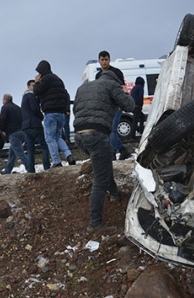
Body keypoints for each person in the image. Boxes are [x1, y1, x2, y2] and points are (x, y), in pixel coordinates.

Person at [73, 70, 135, 231]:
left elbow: (77, 111)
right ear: (119, 80)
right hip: (97, 134)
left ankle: (115, 194)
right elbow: (130, 106)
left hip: (79, 136)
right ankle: (95, 223)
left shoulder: (83, 87)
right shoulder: (113, 85)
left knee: (104, 165)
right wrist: (125, 93)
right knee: (100, 179)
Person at [33, 60, 76, 167]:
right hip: (61, 113)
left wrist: (37, 82)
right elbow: (65, 95)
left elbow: (37, 92)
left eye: (39, 72)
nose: (38, 74)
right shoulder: (58, 79)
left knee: (49, 138)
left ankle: (56, 162)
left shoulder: (45, 79)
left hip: (50, 113)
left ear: (42, 70)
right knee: (58, 137)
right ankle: (69, 155)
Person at [95, 50, 131, 160]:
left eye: (106, 60)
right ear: (99, 61)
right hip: (106, 107)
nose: (104, 62)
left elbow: (122, 88)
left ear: (109, 60)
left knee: (112, 130)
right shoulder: (98, 75)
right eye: (102, 60)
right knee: (108, 131)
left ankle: (120, 150)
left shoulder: (116, 72)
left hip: (116, 105)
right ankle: (116, 151)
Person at [21, 80, 51, 173]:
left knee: (30, 149)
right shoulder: (31, 95)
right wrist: (41, 116)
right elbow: (34, 108)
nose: (34, 87)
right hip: (35, 124)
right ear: (28, 86)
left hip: (26, 126)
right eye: (33, 85)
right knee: (44, 146)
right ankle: (47, 167)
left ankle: (30, 169)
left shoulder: (24, 98)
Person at [0, 93, 29, 174]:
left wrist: (2, 130)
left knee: (20, 153)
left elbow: (3, 119)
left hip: (13, 133)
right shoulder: (17, 108)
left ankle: (30, 168)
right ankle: (7, 170)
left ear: (5, 100)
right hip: (22, 132)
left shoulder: (5, 108)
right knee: (12, 153)